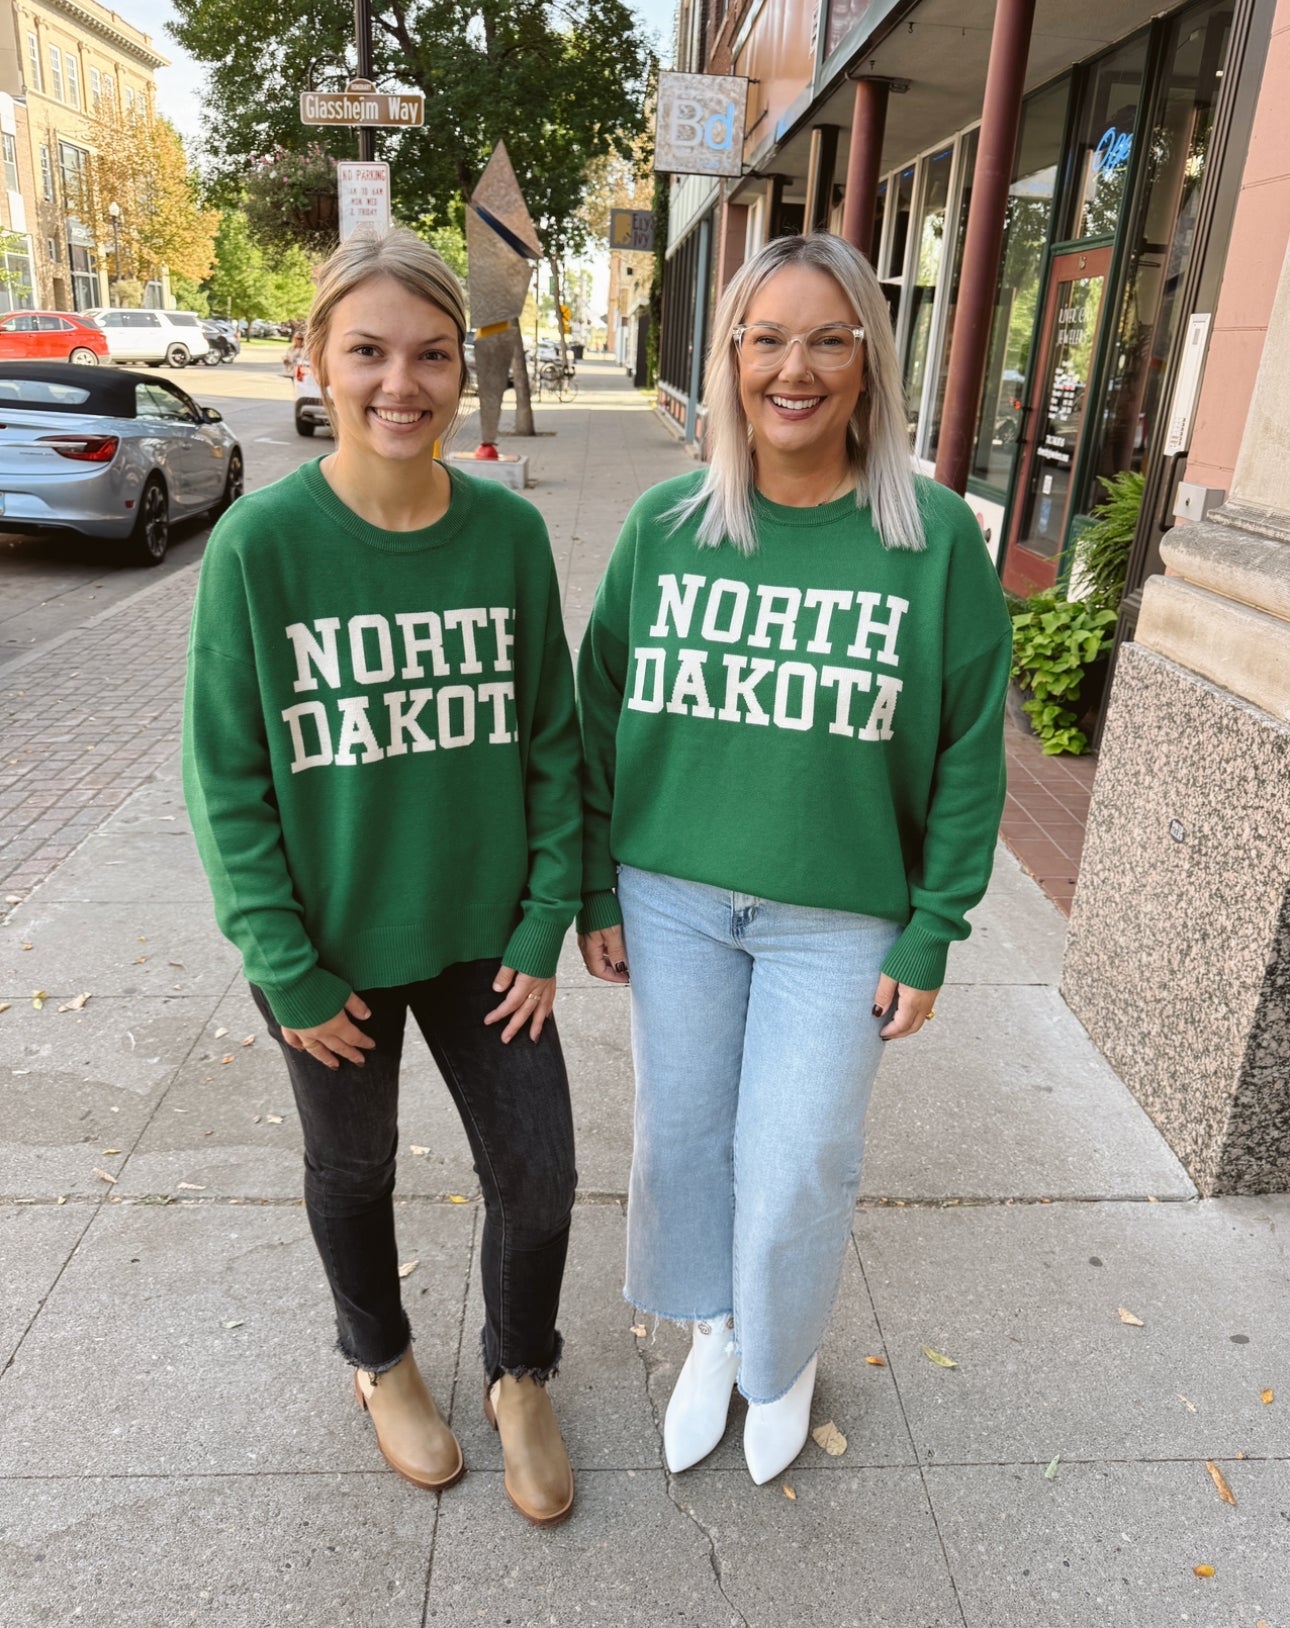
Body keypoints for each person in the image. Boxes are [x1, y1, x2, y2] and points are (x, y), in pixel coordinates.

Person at [577, 232, 1010, 1485]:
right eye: (766, 338)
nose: (795, 366)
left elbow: (971, 750)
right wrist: (598, 884)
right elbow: (596, 715)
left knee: (801, 1148)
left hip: (844, 914)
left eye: (828, 338)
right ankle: (715, 1325)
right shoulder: (665, 525)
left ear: (870, 363)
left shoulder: (930, 537)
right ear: (729, 361)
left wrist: (936, 926)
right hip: (672, 896)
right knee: (686, 1133)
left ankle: (781, 1347)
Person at [183, 228, 582, 1527]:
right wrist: (280, 961)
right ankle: (381, 1360)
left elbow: (550, 741)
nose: (397, 382)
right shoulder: (261, 548)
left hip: (485, 942)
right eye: (366, 351)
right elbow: (226, 776)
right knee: (350, 1169)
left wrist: (543, 922)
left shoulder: (509, 537)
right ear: (314, 361)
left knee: (539, 1176)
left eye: (428, 355)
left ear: (461, 372)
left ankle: (520, 1372)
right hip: (328, 949)